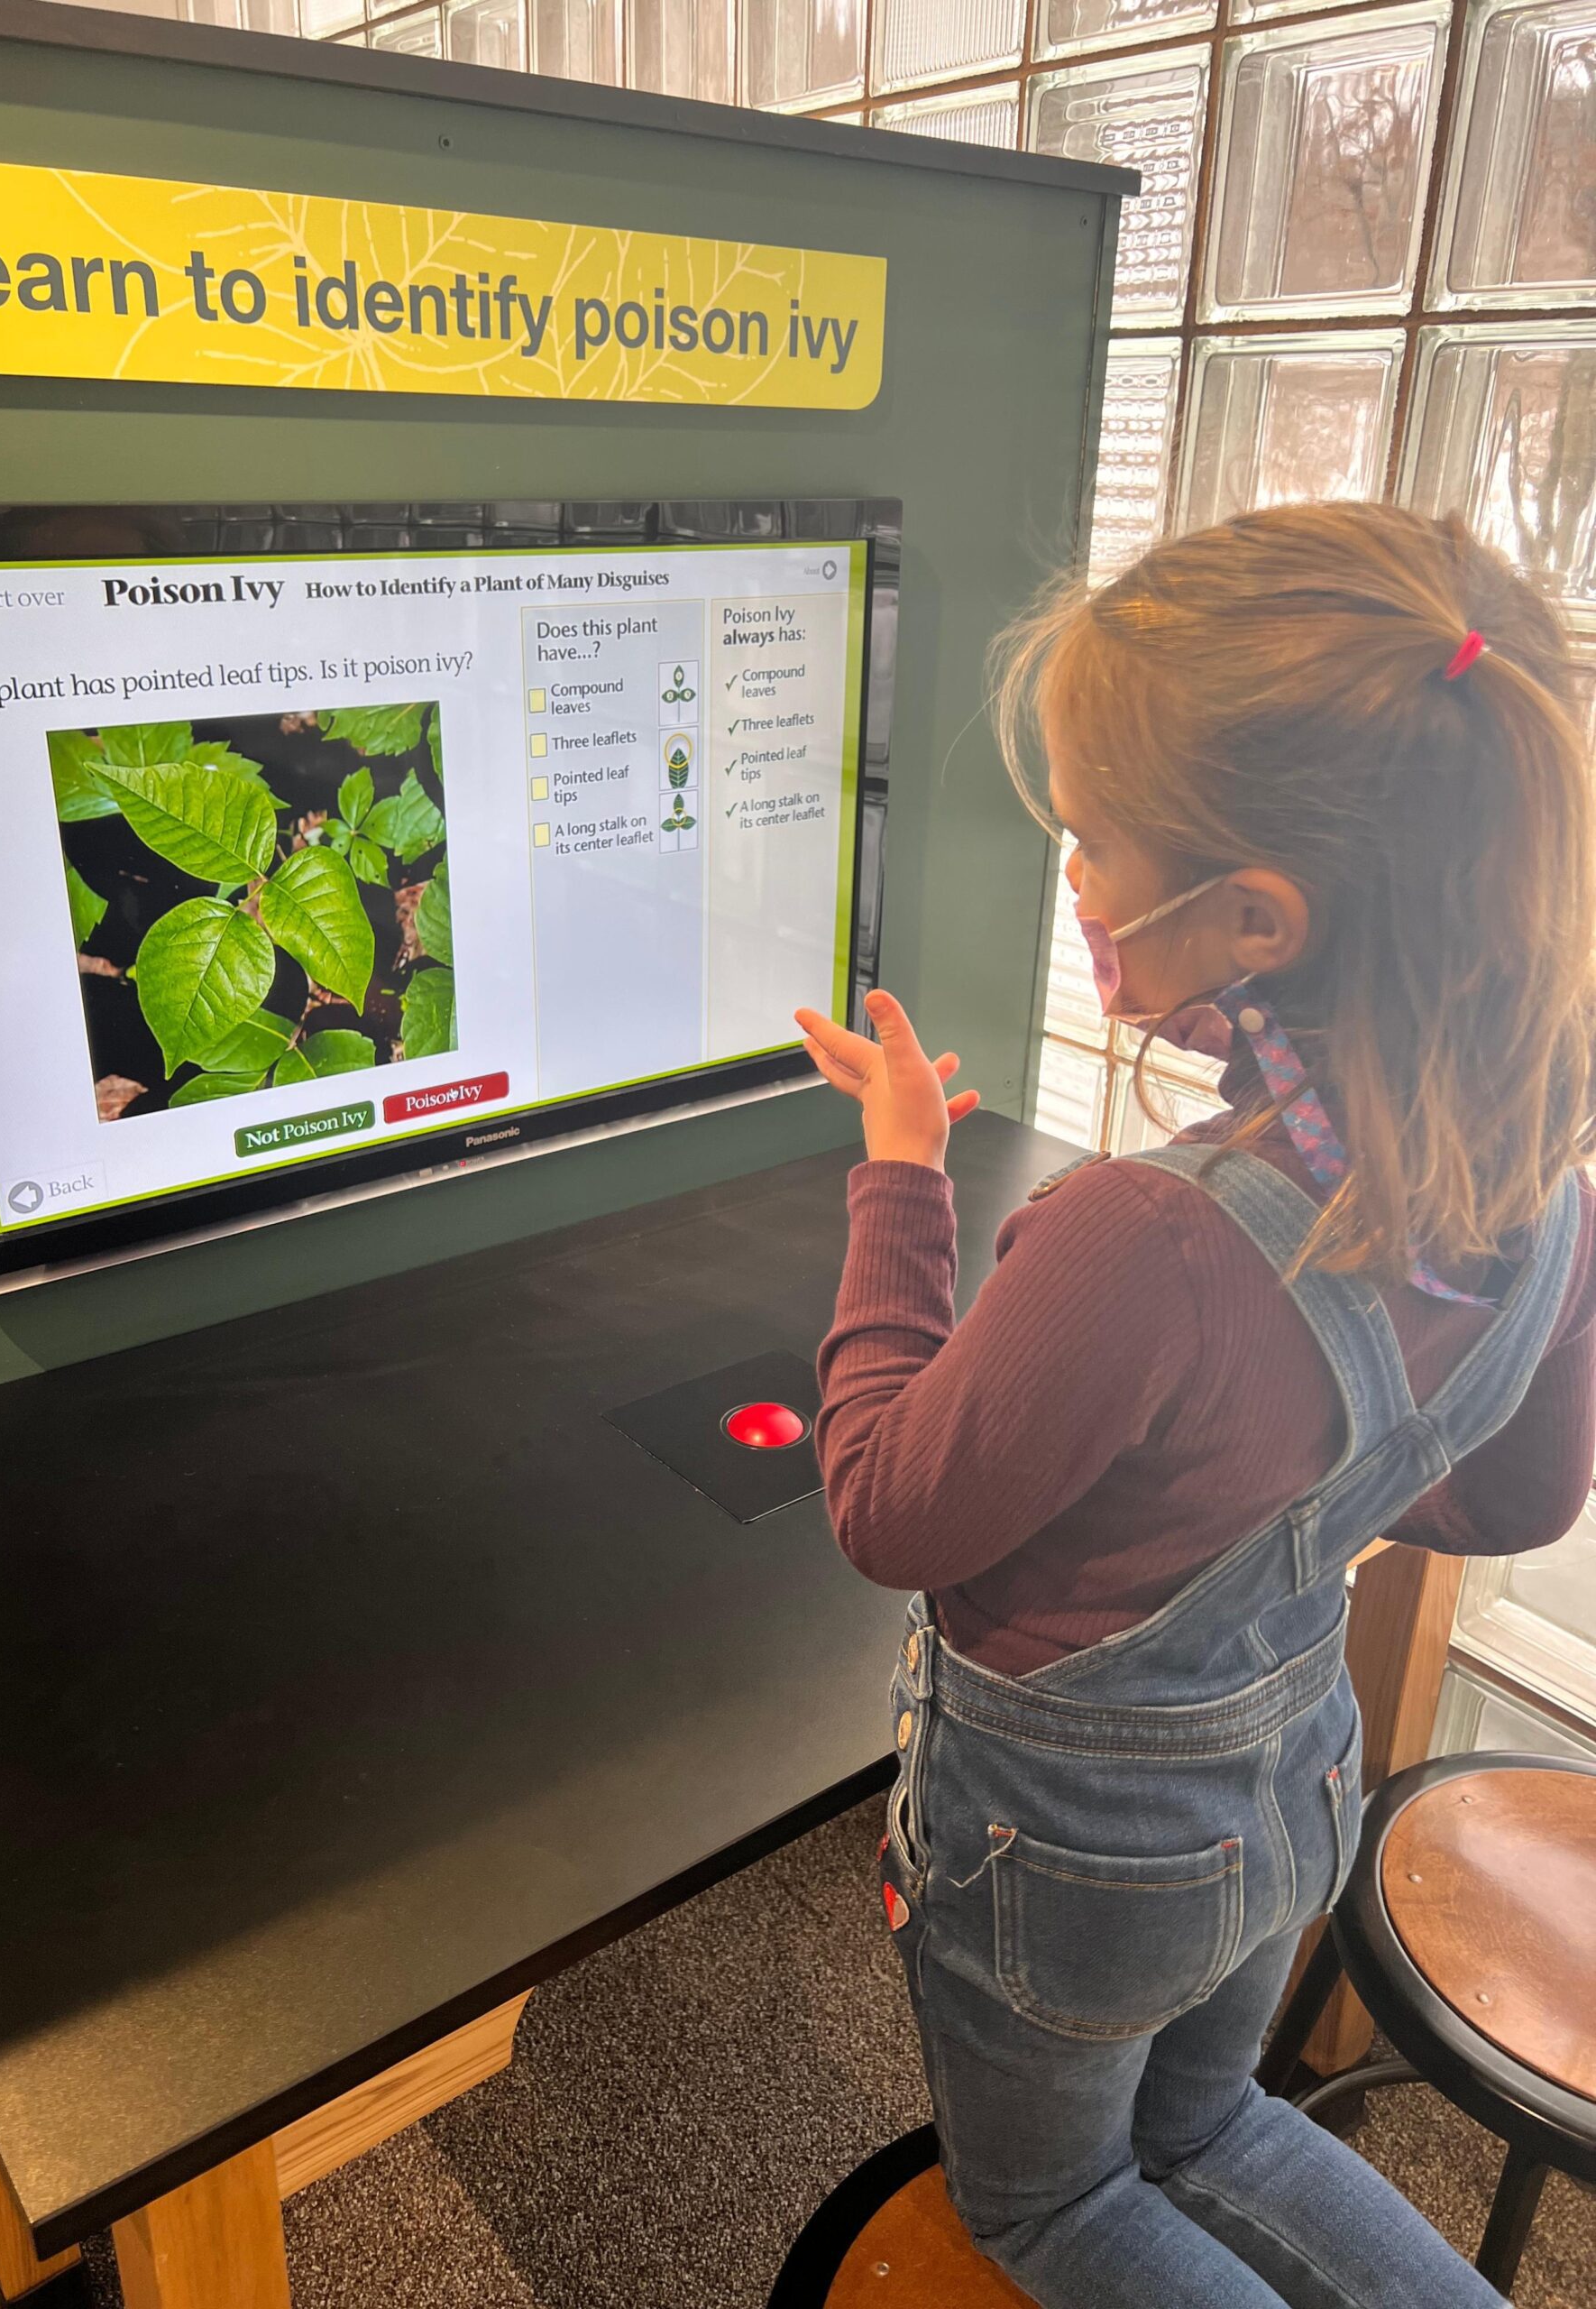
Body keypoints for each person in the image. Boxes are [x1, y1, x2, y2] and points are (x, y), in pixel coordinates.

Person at [795, 501, 1596, 2309]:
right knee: (1216, 2127)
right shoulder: (1538, 1187)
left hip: (1076, 1860)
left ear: (1257, 917)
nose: (1074, 878)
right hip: (1289, 1786)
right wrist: (1284, 1494)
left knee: (1057, 2207)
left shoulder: (1144, 1238)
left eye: (1095, 839)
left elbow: (884, 1507)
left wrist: (902, 1169)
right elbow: (1512, 1496)